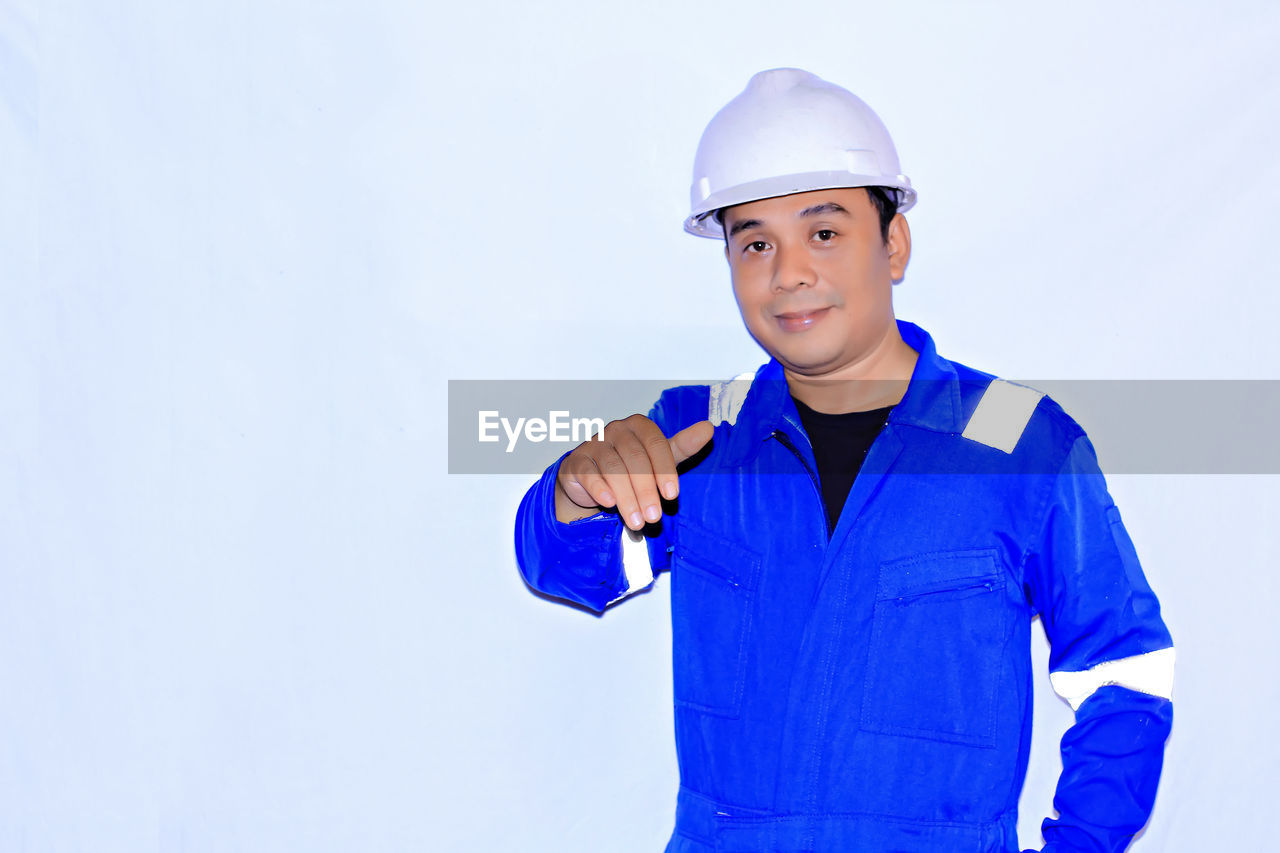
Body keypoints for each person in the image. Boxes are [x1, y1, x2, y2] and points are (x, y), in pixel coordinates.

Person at [513, 68, 1174, 853]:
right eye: (754, 241)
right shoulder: (696, 436)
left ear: (893, 243)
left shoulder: (1020, 445)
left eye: (823, 232)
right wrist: (576, 490)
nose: (788, 271)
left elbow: (1124, 673)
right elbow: (566, 567)